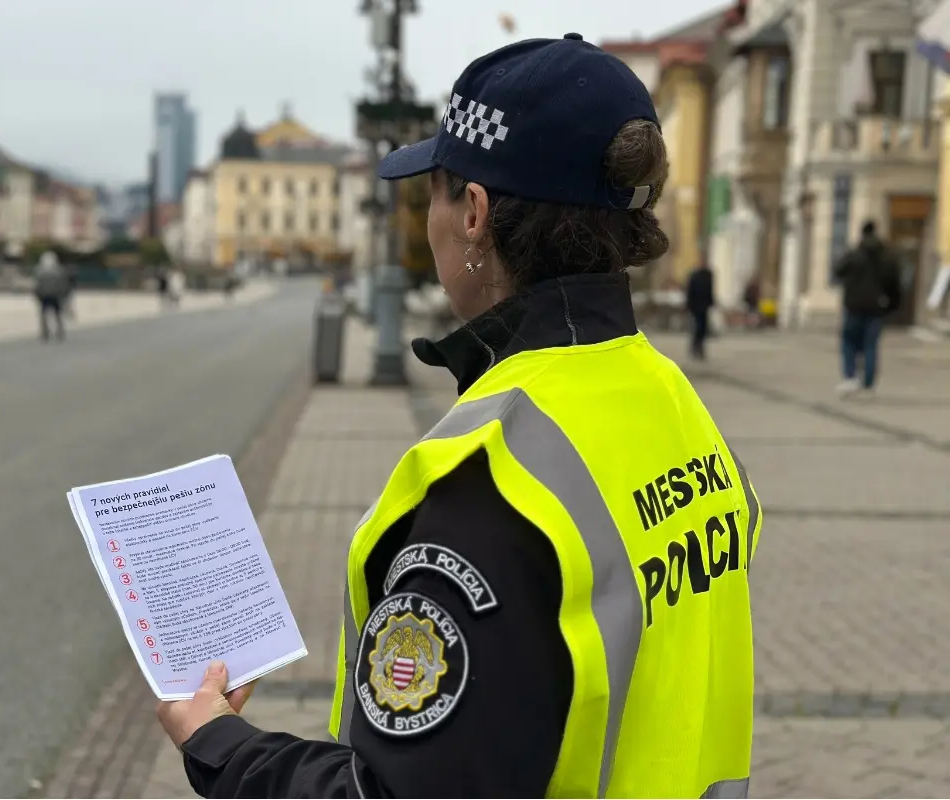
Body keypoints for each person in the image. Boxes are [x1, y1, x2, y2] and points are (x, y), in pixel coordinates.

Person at [156, 35, 762, 799]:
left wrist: (221, 745)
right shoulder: (673, 400)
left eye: (434, 194)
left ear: (472, 212)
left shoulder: (493, 486)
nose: (432, 219)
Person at [833, 220, 902, 398]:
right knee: (870, 345)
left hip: (854, 306)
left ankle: (851, 377)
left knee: (849, 342)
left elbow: (837, 270)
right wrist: (892, 306)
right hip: (876, 307)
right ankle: (868, 384)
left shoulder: (854, 254)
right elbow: (894, 284)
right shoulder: (887, 257)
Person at [33, 250, 69, 341]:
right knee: (57, 314)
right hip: (55, 296)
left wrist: (37, 295)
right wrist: (63, 295)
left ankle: (45, 332)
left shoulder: (39, 271)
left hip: (44, 296)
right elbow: (63, 284)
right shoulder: (59, 271)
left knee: (44, 315)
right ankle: (60, 331)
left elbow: (37, 285)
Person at [686, 261, 716, 359]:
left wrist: (711, 302)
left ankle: (699, 347)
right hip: (696, 306)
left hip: (703, 306)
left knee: (702, 328)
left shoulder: (708, 276)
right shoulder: (696, 276)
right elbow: (690, 291)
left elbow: (710, 290)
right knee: (698, 327)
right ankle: (696, 347)